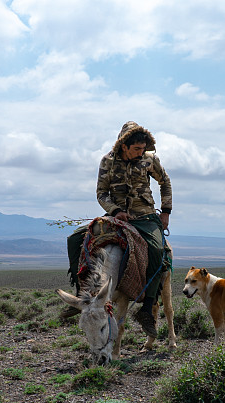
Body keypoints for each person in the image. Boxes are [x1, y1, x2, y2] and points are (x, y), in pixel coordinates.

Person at [65, 121, 172, 337]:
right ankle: (82, 295)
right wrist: (114, 211)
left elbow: (165, 182)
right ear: (124, 145)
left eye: (143, 149)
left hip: (145, 216)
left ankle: (147, 309)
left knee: (157, 250)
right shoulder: (108, 162)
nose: (141, 152)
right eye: (136, 149)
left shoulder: (149, 160)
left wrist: (166, 211)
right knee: (74, 239)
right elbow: (101, 193)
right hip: (116, 217)